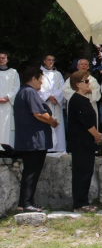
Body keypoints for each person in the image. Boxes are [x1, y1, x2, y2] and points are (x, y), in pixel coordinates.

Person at [14, 67, 58, 212]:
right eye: (40, 79)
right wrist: (52, 122)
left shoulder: (24, 92)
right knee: (31, 172)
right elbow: (39, 113)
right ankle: (26, 203)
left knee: (31, 171)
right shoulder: (29, 92)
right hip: (33, 140)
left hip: (30, 139)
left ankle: (25, 202)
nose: (41, 83)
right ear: (33, 78)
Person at [67, 70, 102, 213]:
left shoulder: (84, 99)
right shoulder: (76, 99)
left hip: (86, 142)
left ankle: (83, 202)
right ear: (77, 84)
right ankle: (80, 204)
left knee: (86, 172)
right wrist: (96, 134)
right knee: (81, 172)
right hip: (80, 142)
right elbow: (85, 121)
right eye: (86, 81)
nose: (89, 83)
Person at [39, 54, 66, 152]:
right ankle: (47, 147)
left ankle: (58, 148)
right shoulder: (39, 73)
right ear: (44, 61)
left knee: (57, 125)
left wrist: (55, 97)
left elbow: (62, 87)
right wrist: (49, 96)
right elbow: (38, 87)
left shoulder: (58, 74)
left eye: (53, 60)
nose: (51, 62)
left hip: (56, 104)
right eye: (49, 60)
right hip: (46, 103)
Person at [62, 59, 101, 126]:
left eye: (85, 64)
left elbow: (97, 92)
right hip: (76, 105)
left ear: (88, 67)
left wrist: (90, 91)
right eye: (81, 64)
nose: (83, 66)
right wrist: (79, 92)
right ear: (78, 66)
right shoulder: (72, 78)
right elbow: (65, 90)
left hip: (90, 104)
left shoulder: (93, 80)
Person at [0, 51, 20, 149]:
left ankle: (8, 150)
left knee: (7, 126)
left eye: (3, 58)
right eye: (0, 58)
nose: (1, 60)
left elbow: (16, 87)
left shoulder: (13, 72)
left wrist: (8, 97)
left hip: (8, 104)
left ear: (7, 60)